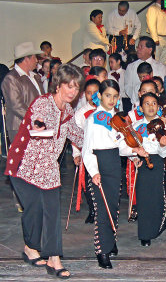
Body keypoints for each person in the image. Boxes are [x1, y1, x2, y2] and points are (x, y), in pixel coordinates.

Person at [5, 63, 85, 279]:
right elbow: (38, 128)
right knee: (34, 211)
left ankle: (53, 257)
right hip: (23, 166)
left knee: (49, 211)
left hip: (47, 169)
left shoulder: (67, 111)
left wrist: (99, 135)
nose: (72, 92)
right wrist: (40, 129)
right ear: (58, 85)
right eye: (69, 86)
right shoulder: (42, 104)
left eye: (76, 88)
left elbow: (78, 136)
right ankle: (31, 247)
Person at [82, 79, 142, 269]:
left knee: (113, 206)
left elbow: (122, 145)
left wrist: (136, 152)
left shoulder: (117, 118)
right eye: (108, 95)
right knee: (102, 209)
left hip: (115, 163)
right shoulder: (93, 119)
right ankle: (102, 251)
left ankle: (111, 241)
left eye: (115, 96)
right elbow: (87, 150)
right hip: (99, 164)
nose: (112, 99)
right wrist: (94, 171)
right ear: (99, 96)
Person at [132, 92, 166, 246]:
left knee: (156, 195)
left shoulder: (163, 125)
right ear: (141, 108)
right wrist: (134, 157)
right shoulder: (136, 126)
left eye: (154, 103)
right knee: (143, 198)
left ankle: (159, 224)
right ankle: (145, 233)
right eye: (146, 103)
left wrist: (162, 144)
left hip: (157, 160)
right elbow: (130, 147)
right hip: (142, 162)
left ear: (158, 106)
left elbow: (165, 152)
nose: (150, 106)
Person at [2, 42, 45, 142]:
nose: (37, 61)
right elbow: (16, 106)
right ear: (27, 59)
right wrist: (36, 119)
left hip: (36, 125)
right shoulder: (11, 78)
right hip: (20, 127)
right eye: (35, 57)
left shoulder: (35, 76)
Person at [71, 78, 100, 224]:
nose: (92, 95)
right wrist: (76, 154)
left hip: (103, 151)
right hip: (87, 152)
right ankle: (92, 210)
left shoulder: (106, 110)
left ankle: (102, 209)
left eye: (96, 92)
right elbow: (75, 135)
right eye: (89, 93)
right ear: (84, 94)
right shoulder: (81, 113)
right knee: (89, 184)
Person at [125, 36, 166, 105]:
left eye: (141, 47)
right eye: (137, 47)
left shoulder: (161, 67)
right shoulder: (130, 67)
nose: (138, 49)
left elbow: (161, 87)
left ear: (150, 50)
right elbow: (128, 88)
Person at [146, 0, 166, 64]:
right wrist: (155, 39)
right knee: (156, 60)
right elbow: (151, 24)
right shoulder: (153, 8)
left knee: (164, 61)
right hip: (158, 38)